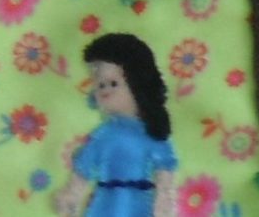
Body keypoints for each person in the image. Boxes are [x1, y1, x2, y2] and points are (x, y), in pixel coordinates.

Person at [56, 33, 178, 217]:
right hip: (104, 207)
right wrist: (71, 195)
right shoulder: (103, 135)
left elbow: (165, 173)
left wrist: (164, 202)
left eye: (113, 83)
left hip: (137, 207)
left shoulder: (151, 133)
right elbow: (84, 169)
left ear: (138, 83)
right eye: (100, 85)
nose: (104, 90)